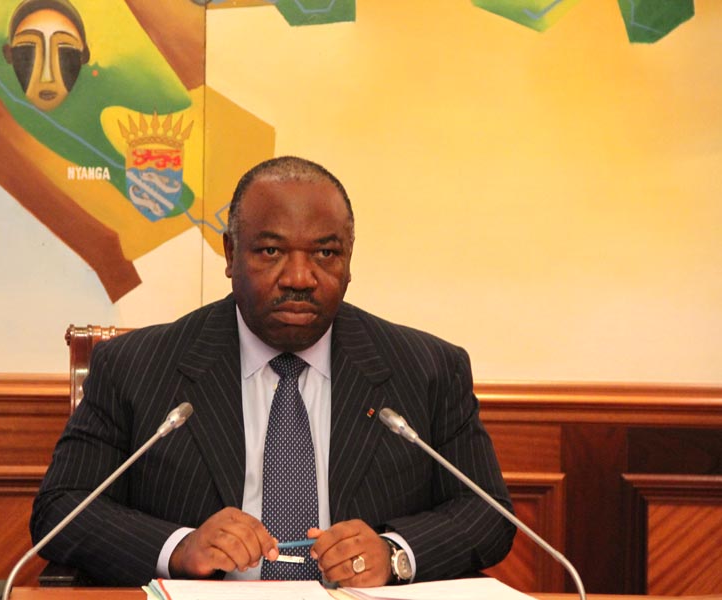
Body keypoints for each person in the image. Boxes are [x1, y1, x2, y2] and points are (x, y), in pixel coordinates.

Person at [31, 156, 515, 587]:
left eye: (325, 253)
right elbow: (62, 507)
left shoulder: (428, 370)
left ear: (349, 260)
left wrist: (394, 554)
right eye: (271, 252)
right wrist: (178, 548)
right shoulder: (135, 367)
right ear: (230, 254)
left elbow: (487, 513)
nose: (299, 278)